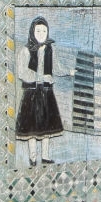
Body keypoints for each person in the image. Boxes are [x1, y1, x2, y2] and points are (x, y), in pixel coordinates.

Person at [16, 17, 64, 167]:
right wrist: (38, 78)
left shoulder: (49, 49)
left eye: (44, 30)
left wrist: (69, 71)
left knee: (47, 125)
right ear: (32, 32)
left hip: (46, 92)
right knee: (32, 126)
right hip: (32, 93)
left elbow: (56, 68)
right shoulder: (25, 50)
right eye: (38, 31)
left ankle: (45, 156)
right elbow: (21, 72)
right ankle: (32, 157)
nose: (41, 33)